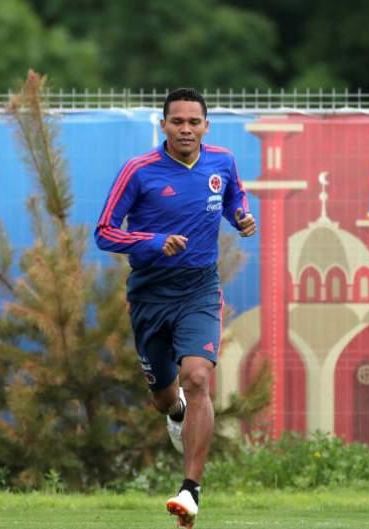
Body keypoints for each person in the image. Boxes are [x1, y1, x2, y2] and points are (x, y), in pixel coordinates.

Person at [94, 88, 255, 529]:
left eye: (194, 122)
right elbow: (104, 232)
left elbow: (233, 199)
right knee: (166, 396)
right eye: (177, 122)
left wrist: (241, 215)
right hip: (148, 295)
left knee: (199, 376)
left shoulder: (221, 162)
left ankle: (190, 490)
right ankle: (176, 412)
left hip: (199, 289)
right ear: (162, 125)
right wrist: (151, 242)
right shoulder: (139, 172)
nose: (186, 129)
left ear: (206, 126)